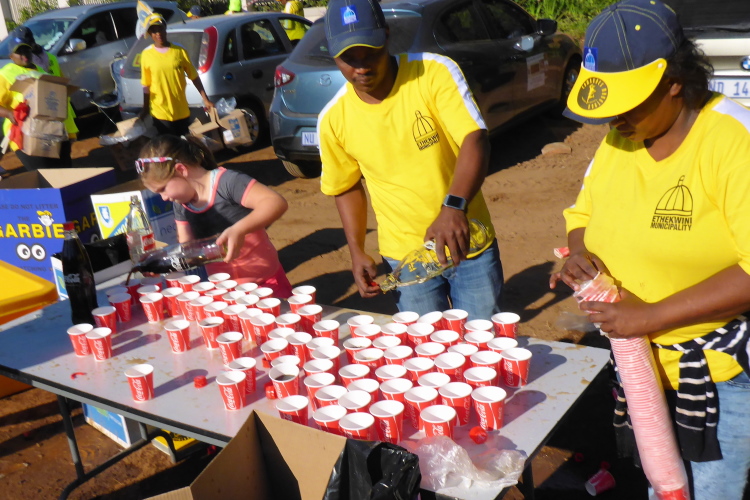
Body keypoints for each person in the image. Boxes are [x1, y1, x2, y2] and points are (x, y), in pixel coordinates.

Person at [549, 1, 750, 498]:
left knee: (710, 490)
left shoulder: (732, 141)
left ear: (674, 80)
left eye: (628, 102)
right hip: (642, 365)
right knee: (663, 484)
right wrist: (581, 255)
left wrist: (652, 315)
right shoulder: (621, 139)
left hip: (717, 374)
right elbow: (583, 214)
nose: (614, 118)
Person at [318, 0, 503, 320]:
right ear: (333, 55)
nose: (361, 67)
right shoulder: (333, 118)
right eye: (349, 58)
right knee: (424, 344)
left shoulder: (432, 72)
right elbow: (345, 186)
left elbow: (475, 138)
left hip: (467, 242)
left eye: (370, 52)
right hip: (405, 257)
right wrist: (357, 250)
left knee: (482, 339)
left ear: (387, 37)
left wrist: (454, 207)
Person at [137, 134, 293, 297]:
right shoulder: (181, 204)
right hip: (225, 291)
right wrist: (162, 263)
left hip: (265, 283)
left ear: (181, 170)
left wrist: (239, 229)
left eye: (163, 189)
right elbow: (187, 250)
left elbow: (275, 202)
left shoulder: (227, 182)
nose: (163, 198)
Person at [0, 36, 73, 170]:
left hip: (52, 132)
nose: (24, 55)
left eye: (26, 50)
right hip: (25, 135)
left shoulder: (40, 70)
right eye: (19, 52)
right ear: (11, 56)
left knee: (64, 171)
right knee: (43, 174)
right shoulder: (5, 74)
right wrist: (9, 114)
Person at [138, 14, 213, 136]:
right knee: (169, 145)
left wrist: (206, 100)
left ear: (165, 28)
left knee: (183, 144)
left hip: (181, 111)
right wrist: (145, 109)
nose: (158, 33)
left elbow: (194, 76)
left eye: (160, 29)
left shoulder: (179, 51)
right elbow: (146, 85)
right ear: (150, 34)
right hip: (160, 112)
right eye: (154, 31)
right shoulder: (146, 55)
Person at [13, 26, 79, 148]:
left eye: (25, 48)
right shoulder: (49, 57)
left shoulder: (32, 64)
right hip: (56, 115)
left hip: (52, 116)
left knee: (58, 152)